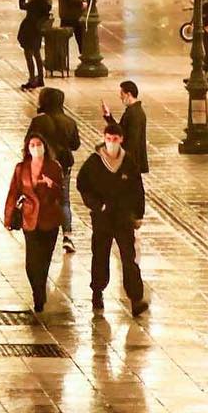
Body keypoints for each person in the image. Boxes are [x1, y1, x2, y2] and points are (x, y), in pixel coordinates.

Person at [76, 120, 148, 315]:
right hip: (103, 218)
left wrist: (138, 214)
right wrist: (97, 205)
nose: (111, 142)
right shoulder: (94, 162)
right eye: (108, 139)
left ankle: (135, 298)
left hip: (123, 218)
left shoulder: (129, 163)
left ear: (121, 140)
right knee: (100, 255)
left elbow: (138, 190)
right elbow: (82, 185)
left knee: (128, 258)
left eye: (115, 139)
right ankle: (97, 291)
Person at [3, 132, 65, 312]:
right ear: (27, 148)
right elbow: (13, 192)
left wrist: (51, 184)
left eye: (39, 144)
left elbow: (61, 194)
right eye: (32, 145)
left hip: (50, 219)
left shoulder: (53, 167)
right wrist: (8, 217)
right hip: (29, 218)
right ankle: (37, 292)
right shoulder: (21, 168)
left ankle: (41, 291)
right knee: (31, 261)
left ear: (45, 147)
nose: (36, 148)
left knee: (44, 259)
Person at [26, 86, 81, 255]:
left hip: (42, 166)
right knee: (64, 201)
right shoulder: (69, 122)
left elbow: (29, 141)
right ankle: (67, 236)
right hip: (63, 165)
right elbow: (75, 145)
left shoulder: (38, 121)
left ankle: (42, 230)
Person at [103, 80, 148, 175]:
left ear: (128, 94)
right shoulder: (132, 111)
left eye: (122, 94)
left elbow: (133, 141)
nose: (120, 97)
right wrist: (108, 116)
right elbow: (120, 131)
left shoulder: (135, 114)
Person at [17, 0, 52, 90]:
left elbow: (23, 6)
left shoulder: (34, 1)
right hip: (38, 30)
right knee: (37, 54)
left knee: (28, 55)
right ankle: (40, 78)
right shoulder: (47, 2)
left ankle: (32, 79)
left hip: (29, 30)